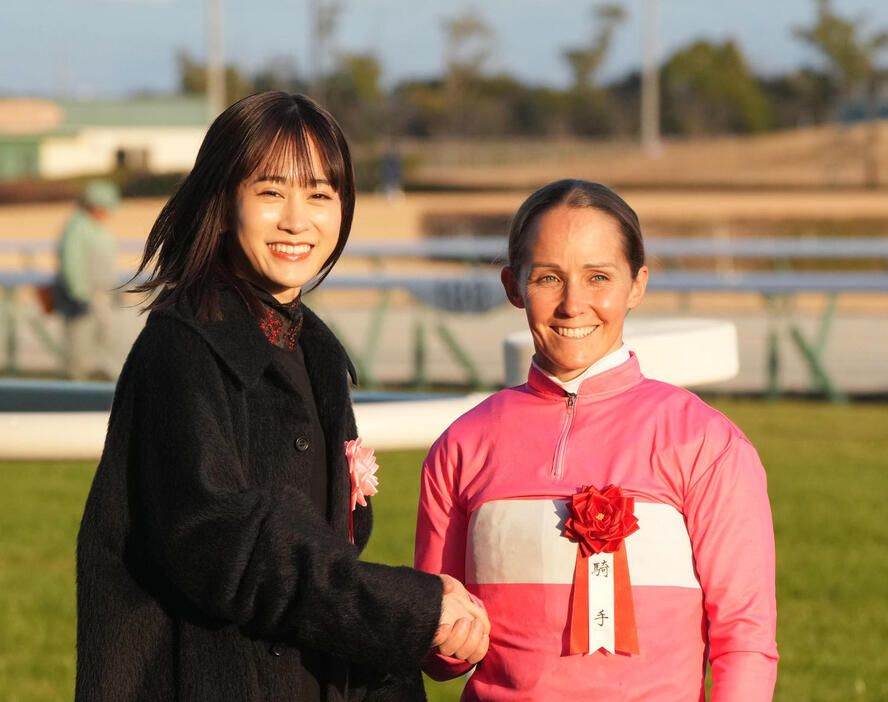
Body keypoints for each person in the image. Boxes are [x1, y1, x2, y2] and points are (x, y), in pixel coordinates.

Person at [75, 92, 489, 702]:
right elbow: (227, 542)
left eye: (320, 195)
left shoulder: (313, 349)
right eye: (271, 193)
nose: (298, 220)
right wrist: (410, 607)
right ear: (224, 199)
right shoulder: (180, 351)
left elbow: (329, 558)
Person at [414, 179, 778, 701]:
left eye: (599, 277)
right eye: (547, 278)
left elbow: (745, 636)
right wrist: (443, 636)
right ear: (512, 286)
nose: (572, 304)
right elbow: (437, 654)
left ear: (637, 284)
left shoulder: (705, 442)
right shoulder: (461, 446)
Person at [55, 180, 120, 379]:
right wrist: (79, 294)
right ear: (95, 206)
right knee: (79, 339)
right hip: (83, 295)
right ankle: (78, 383)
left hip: (101, 292)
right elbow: (71, 262)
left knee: (105, 336)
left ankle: (102, 378)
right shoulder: (77, 226)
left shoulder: (96, 226)